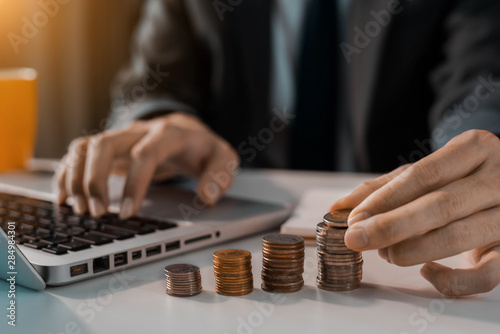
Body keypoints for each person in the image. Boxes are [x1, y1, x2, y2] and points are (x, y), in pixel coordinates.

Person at [56, 0, 500, 296]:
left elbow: (483, 79)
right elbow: (153, 78)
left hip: (401, 251)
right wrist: (158, 124)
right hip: (230, 205)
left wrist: (480, 167)